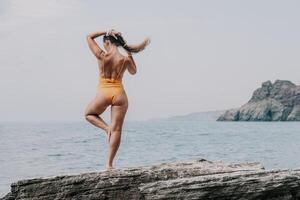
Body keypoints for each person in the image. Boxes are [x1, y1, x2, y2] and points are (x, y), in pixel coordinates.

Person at [84, 29, 150, 170]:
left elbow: (89, 37)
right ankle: (109, 164)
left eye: (105, 44)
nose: (105, 46)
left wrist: (105, 31)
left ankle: (107, 128)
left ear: (107, 42)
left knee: (88, 114)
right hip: (119, 94)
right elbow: (133, 72)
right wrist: (129, 53)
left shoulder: (102, 55)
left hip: (104, 92)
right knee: (118, 130)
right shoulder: (125, 59)